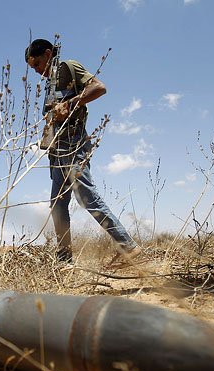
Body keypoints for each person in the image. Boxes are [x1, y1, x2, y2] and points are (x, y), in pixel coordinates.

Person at [25, 39, 141, 263]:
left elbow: (99, 87)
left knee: (86, 197)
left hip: (73, 145)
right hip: (57, 151)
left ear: (48, 54)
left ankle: (129, 247)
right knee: (57, 205)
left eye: (37, 63)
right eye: (33, 68)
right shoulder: (50, 84)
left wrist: (71, 103)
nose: (37, 70)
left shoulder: (68, 67)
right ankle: (64, 259)